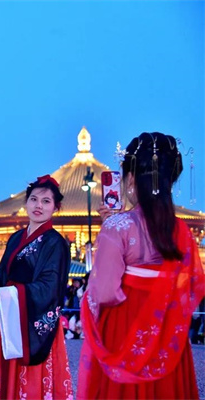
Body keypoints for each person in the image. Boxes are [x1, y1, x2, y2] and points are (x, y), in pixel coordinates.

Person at [78, 132, 205, 399]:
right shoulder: (181, 230)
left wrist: (111, 226)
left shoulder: (118, 227)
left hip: (125, 325)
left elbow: (104, 292)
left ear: (131, 179)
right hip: (166, 326)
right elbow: (191, 284)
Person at [0, 175, 73, 399]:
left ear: (56, 207)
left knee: (32, 381)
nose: (38, 206)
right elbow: (2, 276)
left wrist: (11, 294)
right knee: (10, 375)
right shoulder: (15, 238)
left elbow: (50, 287)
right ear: (26, 203)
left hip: (33, 321)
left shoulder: (56, 243)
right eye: (34, 199)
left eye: (46, 201)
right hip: (9, 314)